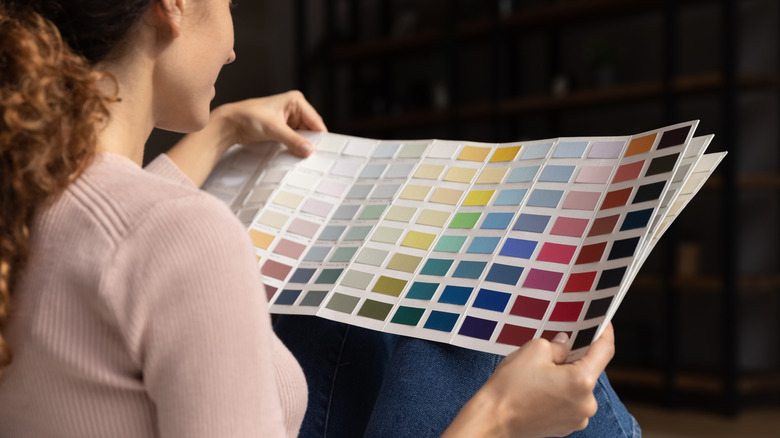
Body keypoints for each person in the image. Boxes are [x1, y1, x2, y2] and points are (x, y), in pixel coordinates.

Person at [0, 1, 639, 437]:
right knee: (465, 351)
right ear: (171, 5)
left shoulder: (30, 199)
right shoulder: (186, 236)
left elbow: (118, 241)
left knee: (372, 328)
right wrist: (498, 418)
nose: (230, 46)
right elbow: (155, 245)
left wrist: (221, 131)